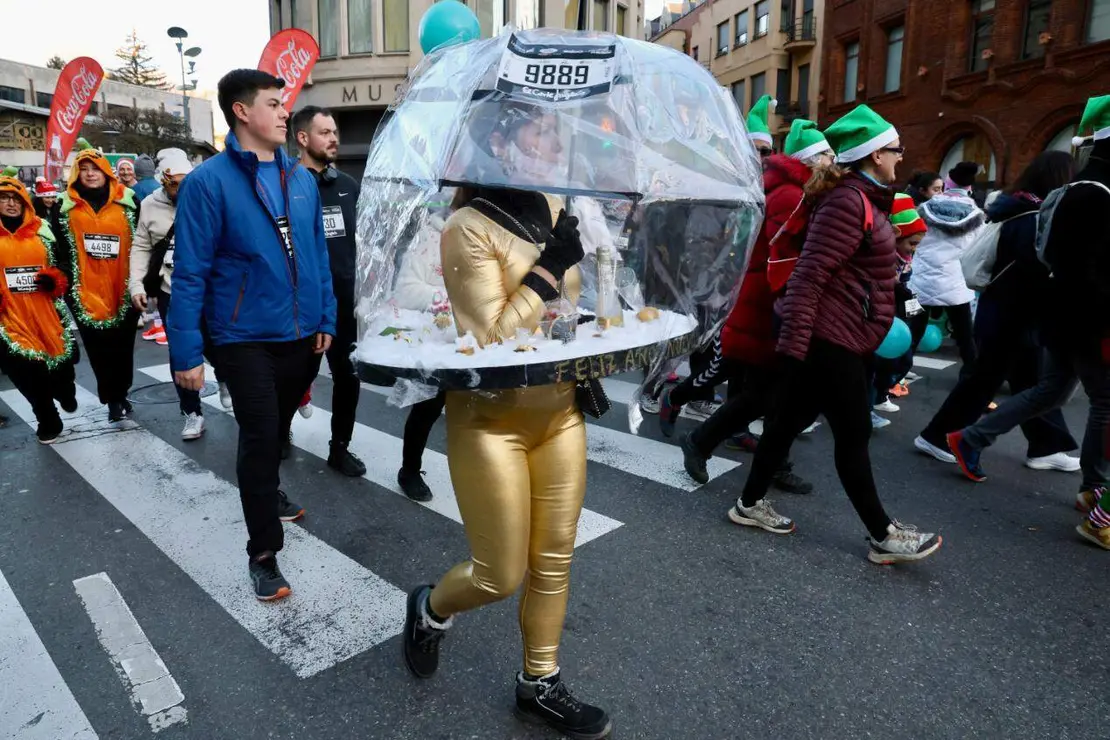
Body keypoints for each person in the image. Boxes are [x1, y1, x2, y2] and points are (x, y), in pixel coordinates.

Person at [402, 104, 610, 739]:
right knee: (500, 575)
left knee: (555, 559)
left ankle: (538, 683)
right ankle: (430, 608)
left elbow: (565, 315)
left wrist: (595, 307)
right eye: (538, 130)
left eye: (555, 130)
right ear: (499, 141)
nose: (554, 142)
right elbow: (490, 339)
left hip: (560, 413)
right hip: (490, 422)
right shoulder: (466, 226)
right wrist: (548, 271)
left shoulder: (556, 208)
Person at [729, 104, 942, 565]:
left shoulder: (865, 197)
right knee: (854, 431)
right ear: (874, 155)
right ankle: (883, 534)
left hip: (843, 330)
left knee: (786, 422)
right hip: (831, 336)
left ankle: (748, 503)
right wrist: (795, 348)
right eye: (895, 149)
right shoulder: (849, 201)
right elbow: (809, 276)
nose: (900, 156)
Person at [169, 69, 336, 601]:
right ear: (242, 111)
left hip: (301, 335)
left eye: (283, 103)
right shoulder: (207, 182)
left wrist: (326, 318)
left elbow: (317, 256)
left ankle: (268, 490)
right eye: (273, 103)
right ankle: (263, 553)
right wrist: (186, 352)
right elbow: (190, 274)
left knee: (277, 429)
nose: (285, 112)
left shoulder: (301, 179)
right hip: (242, 337)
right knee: (260, 436)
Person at [946, 96, 1110, 544]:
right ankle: (1096, 488)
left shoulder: (1081, 190)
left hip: (1064, 315)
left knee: (1050, 390)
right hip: (1088, 319)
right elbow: (1086, 268)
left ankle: (972, 438)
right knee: (1103, 401)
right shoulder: (1096, 194)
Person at [677, 119, 833, 494]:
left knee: (767, 394)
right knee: (768, 394)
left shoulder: (795, 191)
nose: (833, 159)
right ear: (811, 160)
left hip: (769, 302)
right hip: (771, 306)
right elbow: (786, 257)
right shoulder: (791, 195)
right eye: (827, 154)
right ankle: (697, 430)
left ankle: (709, 442)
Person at [914, 152, 1079, 469]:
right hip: (1013, 316)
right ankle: (936, 437)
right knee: (986, 383)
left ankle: (1046, 446)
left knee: (1031, 383)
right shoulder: (1032, 218)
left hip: (1005, 312)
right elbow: (1034, 272)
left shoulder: (1016, 209)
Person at [129, 148, 230, 439]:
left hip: (209, 289)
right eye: (175, 185)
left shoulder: (206, 197)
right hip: (171, 290)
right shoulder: (150, 205)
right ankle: (192, 412)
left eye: (187, 183)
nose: (182, 190)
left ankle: (224, 377)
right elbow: (141, 246)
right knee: (180, 353)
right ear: (163, 181)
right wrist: (136, 285)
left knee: (218, 344)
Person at [290, 105, 366, 477]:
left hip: (345, 305)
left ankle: (340, 448)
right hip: (301, 306)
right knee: (293, 379)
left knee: (348, 379)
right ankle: (278, 433)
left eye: (335, 131)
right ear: (303, 138)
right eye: (325, 132)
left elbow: (363, 243)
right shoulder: (285, 185)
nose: (334, 138)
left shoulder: (348, 185)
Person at [51, 142, 140, 422]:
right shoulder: (64, 207)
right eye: (84, 169)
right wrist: (62, 279)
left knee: (122, 346)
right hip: (84, 291)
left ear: (106, 172)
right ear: (76, 174)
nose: (90, 174)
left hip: (122, 288)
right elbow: (58, 250)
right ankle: (111, 398)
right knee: (98, 349)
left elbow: (142, 243)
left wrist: (142, 280)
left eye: (95, 169)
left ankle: (121, 391)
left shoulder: (129, 201)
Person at [0, 171, 77, 443]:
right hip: (9, 318)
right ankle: (47, 417)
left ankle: (65, 390)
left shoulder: (43, 230)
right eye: (4, 198)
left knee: (61, 366)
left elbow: (66, 263)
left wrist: (56, 278)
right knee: (24, 371)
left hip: (47, 313)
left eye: (16, 198)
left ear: (24, 201)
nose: (11, 204)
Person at [907, 161, 985, 380]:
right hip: (956, 286)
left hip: (917, 284)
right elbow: (981, 249)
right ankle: (971, 379)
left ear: (948, 183)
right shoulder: (976, 215)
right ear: (969, 186)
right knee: (965, 334)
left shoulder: (923, 209)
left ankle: (896, 373)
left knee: (911, 328)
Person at [869, 193, 927, 429]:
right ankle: (869, 405)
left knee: (902, 359)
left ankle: (880, 395)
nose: (913, 250)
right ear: (895, 235)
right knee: (877, 363)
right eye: (911, 243)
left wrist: (912, 307)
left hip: (897, 312)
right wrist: (898, 290)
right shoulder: (884, 256)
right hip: (880, 313)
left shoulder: (904, 257)